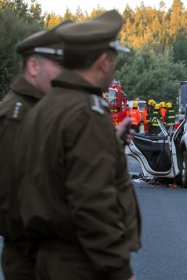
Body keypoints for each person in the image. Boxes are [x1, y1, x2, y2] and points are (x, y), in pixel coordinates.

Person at [16, 10, 141, 280]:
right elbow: (92, 203)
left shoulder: (44, 105)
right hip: (81, 262)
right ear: (103, 61)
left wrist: (109, 143)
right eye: (115, 58)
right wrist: (119, 269)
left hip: (48, 257)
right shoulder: (86, 112)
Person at [0, 21, 71, 280]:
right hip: (31, 255)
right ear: (33, 66)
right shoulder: (18, 114)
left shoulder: (40, 108)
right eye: (60, 65)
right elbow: (12, 196)